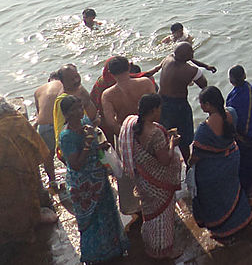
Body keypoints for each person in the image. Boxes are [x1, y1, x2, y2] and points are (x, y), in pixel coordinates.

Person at [58, 95, 129, 263]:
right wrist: (88, 144)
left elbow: (94, 140)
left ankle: (113, 249)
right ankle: (95, 256)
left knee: (107, 213)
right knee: (90, 221)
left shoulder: (84, 121)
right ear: (66, 114)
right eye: (73, 109)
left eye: (79, 107)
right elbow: (75, 164)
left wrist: (99, 146)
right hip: (82, 184)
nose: (78, 111)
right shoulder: (66, 136)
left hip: (98, 176)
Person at [119, 94, 182, 259]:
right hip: (158, 184)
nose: (161, 112)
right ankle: (163, 250)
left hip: (144, 181)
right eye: (160, 109)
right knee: (163, 216)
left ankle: (151, 245)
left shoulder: (133, 126)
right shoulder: (154, 133)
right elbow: (166, 160)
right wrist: (172, 144)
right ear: (154, 110)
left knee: (150, 216)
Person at [190, 87, 252, 240]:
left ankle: (222, 227)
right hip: (232, 158)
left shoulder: (204, 130)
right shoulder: (231, 113)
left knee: (213, 196)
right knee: (233, 190)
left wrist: (188, 164)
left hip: (214, 169)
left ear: (209, 105)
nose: (201, 107)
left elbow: (196, 156)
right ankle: (244, 218)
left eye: (202, 104)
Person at [100, 55, 156, 218]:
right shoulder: (145, 82)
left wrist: (128, 135)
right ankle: (158, 201)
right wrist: (146, 130)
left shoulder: (108, 94)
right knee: (154, 168)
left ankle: (137, 207)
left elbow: (111, 123)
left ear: (110, 73)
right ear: (129, 67)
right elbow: (156, 108)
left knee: (132, 174)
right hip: (150, 132)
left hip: (125, 136)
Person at [0, 95, 58, 249]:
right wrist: (52, 181)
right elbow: (44, 152)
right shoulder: (18, 120)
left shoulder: (3, 130)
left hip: (11, 180)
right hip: (28, 175)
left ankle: (23, 235)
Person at [158, 42, 209, 161]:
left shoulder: (167, 59)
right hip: (179, 105)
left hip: (161, 103)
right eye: (191, 51)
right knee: (184, 138)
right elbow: (204, 85)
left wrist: (204, 66)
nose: (193, 53)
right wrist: (200, 71)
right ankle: (187, 161)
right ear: (187, 55)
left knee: (166, 133)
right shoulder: (190, 70)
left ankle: (167, 157)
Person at [226, 65, 252, 201]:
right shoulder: (251, 91)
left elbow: (231, 119)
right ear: (244, 76)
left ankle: (251, 197)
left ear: (231, 81)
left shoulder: (232, 97)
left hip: (244, 139)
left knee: (246, 166)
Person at [33, 70, 64, 189]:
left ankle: (52, 182)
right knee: (67, 152)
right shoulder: (63, 86)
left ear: (48, 80)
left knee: (48, 156)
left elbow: (39, 112)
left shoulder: (38, 90)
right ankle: (71, 176)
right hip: (59, 123)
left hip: (44, 126)